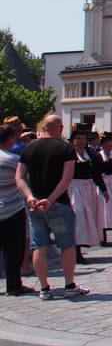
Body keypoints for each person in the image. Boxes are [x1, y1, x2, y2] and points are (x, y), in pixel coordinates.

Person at [16, 114, 90, 300]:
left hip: (34, 204)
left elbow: (19, 177)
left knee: (39, 246)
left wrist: (30, 197)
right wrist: (50, 199)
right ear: (60, 127)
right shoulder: (65, 148)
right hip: (58, 202)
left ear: (44, 128)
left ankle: (44, 288)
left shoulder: (29, 148)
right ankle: (69, 285)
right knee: (67, 245)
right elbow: (67, 179)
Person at [68, 123, 108, 264]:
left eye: (83, 138)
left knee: (86, 218)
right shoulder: (68, 153)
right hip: (73, 188)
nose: (81, 141)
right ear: (73, 139)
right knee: (77, 215)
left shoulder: (91, 155)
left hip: (87, 188)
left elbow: (97, 174)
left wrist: (103, 189)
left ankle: (81, 246)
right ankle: (75, 250)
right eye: (78, 138)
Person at [0, 124, 32, 295]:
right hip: (13, 208)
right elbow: (24, 180)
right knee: (13, 250)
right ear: (11, 138)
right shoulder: (13, 160)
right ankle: (13, 285)